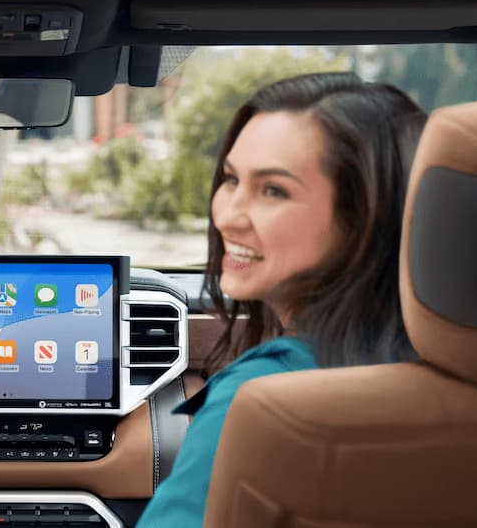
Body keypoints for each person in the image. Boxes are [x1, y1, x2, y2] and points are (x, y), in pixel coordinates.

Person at [138, 72, 427, 526]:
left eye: (273, 190)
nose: (227, 217)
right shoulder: (469, 376)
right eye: (230, 179)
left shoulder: (261, 400)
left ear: (364, 216)